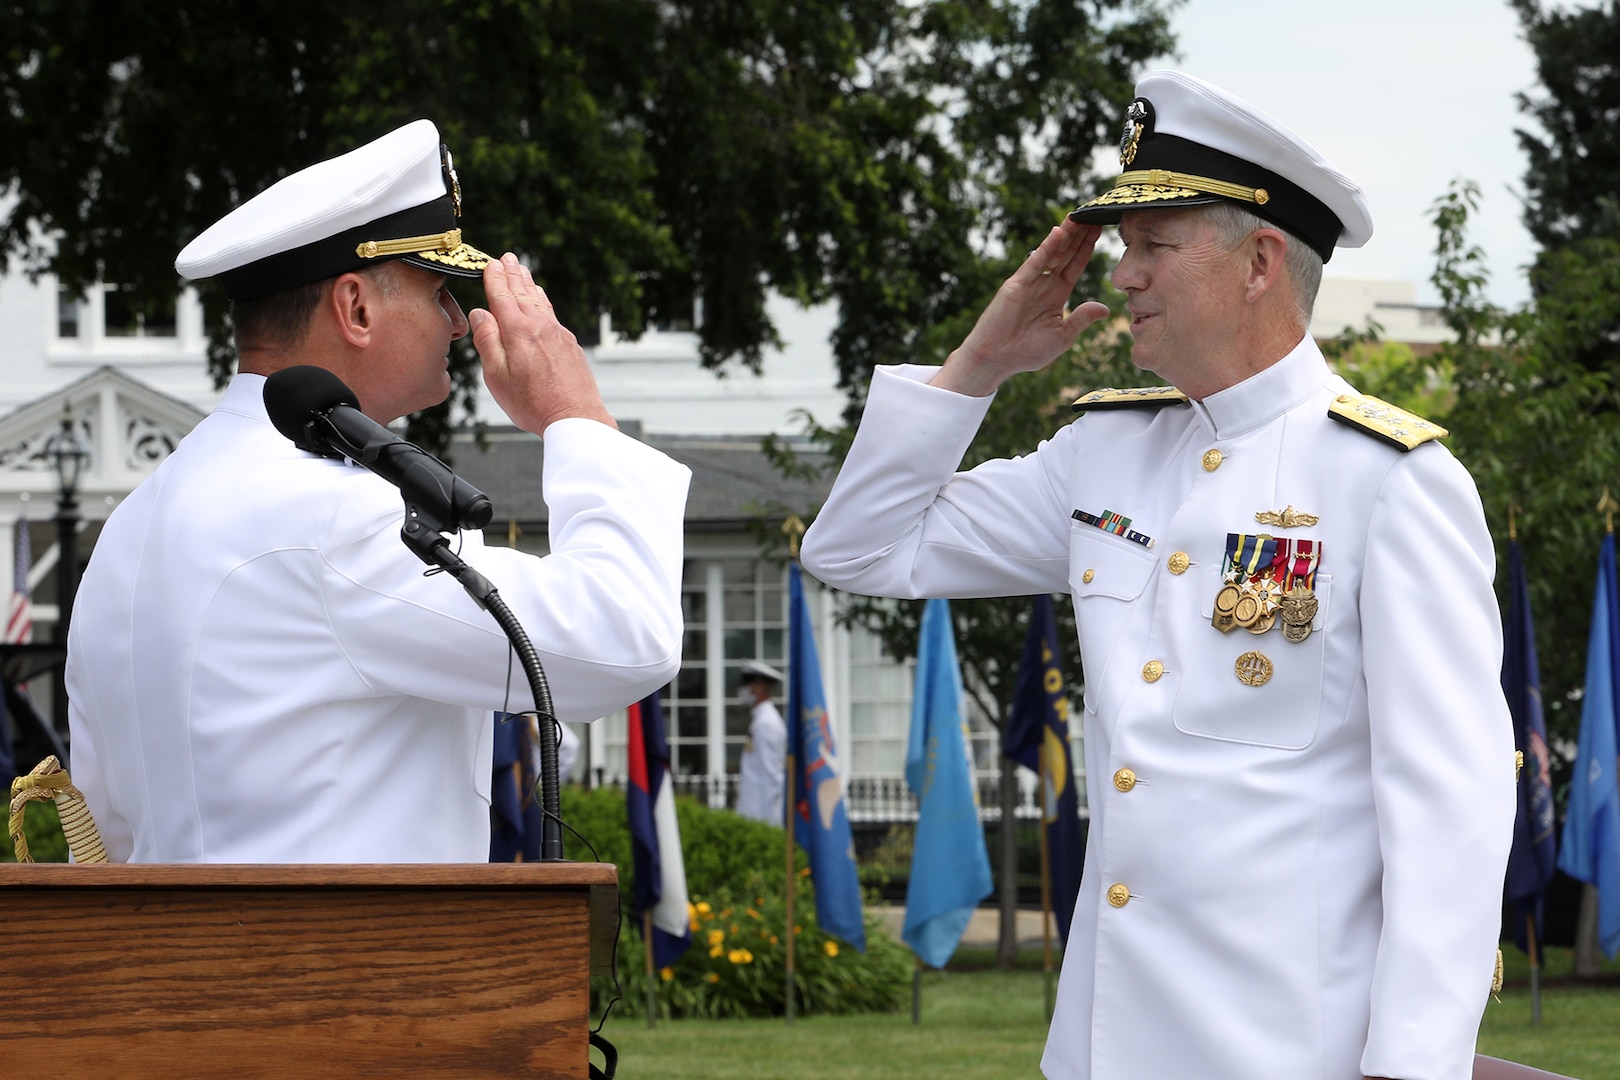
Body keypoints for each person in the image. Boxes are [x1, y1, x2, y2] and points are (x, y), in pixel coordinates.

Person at [801, 70, 1515, 1080]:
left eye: (1152, 246)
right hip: (1106, 1047)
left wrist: (1411, 1065)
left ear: (1261, 262)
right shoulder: (1107, 454)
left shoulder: (1391, 480)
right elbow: (859, 550)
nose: (1121, 274)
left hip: (1289, 1053)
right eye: (1124, 247)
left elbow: (1451, 807)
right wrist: (977, 366)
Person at [65, 120, 690, 863]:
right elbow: (623, 640)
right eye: (439, 291)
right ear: (355, 307)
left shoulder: (135, 522)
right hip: (349, 977)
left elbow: (108, 837)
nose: (459, 324)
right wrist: (576, 416)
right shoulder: (338, 514)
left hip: (180, 975)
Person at [734, 659, 786, 825]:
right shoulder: (761, 720)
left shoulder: (766, 723)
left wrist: (769, 822)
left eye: (746, 685)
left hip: (761, 816)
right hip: (754, 812)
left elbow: (771, 776)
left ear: (759, 688)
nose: (742, 691)